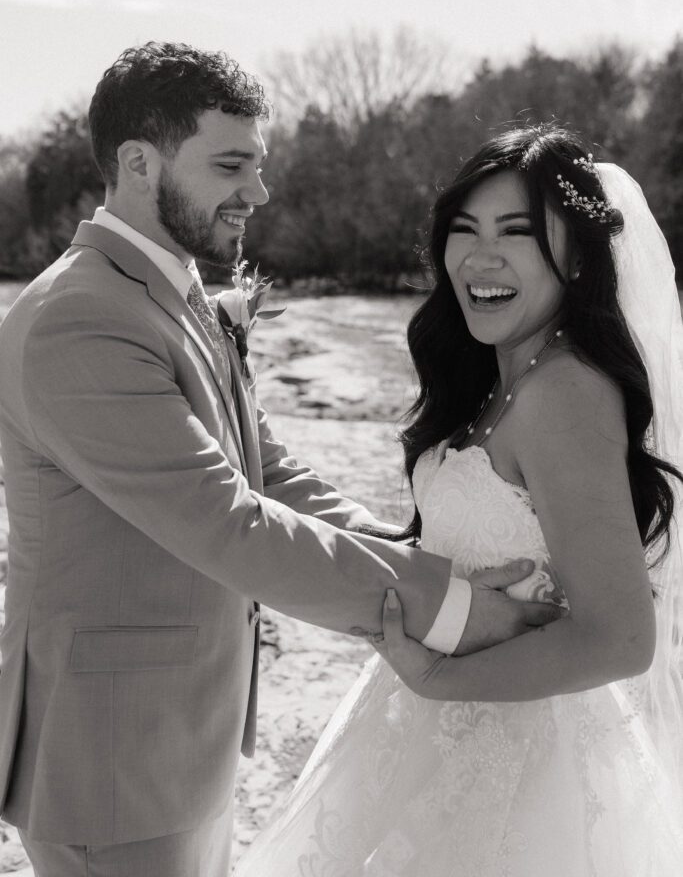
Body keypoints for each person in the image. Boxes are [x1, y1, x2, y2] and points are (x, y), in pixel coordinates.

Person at [0, 44, 557, 877]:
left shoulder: (170, 289)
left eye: (259, 165)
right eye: (231, 165)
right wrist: (445, 609)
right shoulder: (78, 317)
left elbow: (266, 468)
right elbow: (226, 520)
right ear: (137, 163)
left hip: (185, 730)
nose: (257, 192)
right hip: (109, 750)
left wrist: (419, 559)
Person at [235, 125, 683, 876]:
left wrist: (442, 680)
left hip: (520, 754)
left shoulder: (565, 391)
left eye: (516, 232)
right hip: (435, 725)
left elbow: (619, 639)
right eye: (462, 230)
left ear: (575, 256)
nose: (479, 256)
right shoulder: (498, 378)